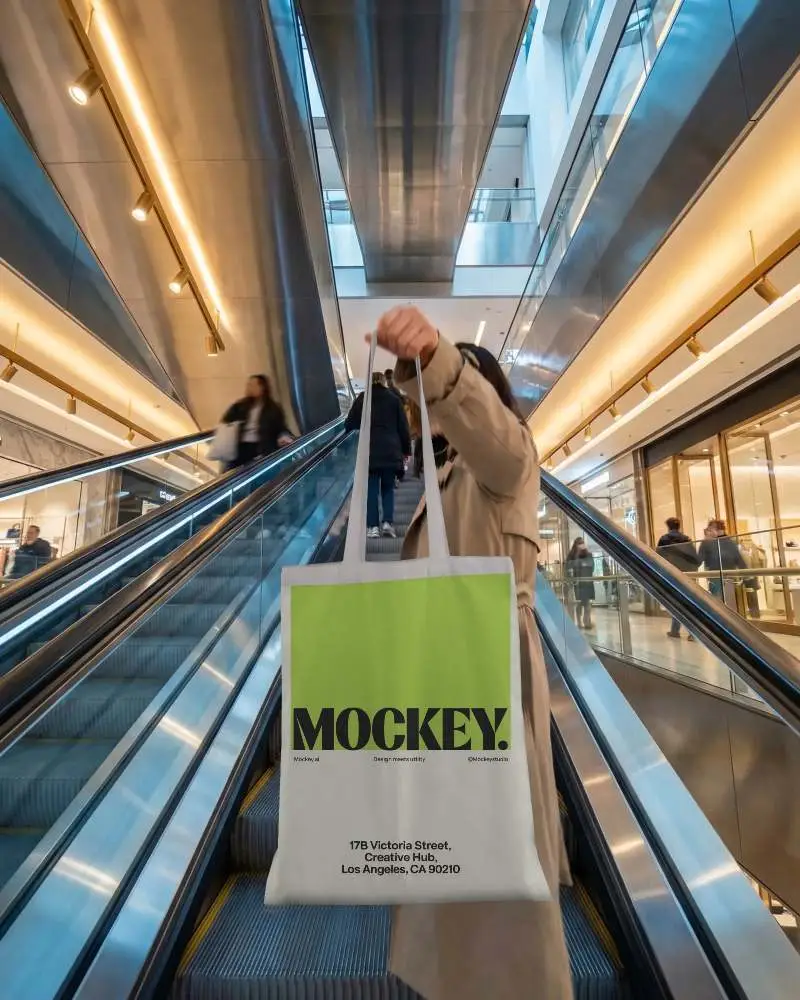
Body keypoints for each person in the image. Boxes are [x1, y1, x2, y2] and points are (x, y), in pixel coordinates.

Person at [373, 305, 573, 1000]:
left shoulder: (501, 460)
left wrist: (436, 358)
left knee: (496, 885)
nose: (423, 411)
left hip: (485, 670)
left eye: (438, 398)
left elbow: (496, 436)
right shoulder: (445, 478)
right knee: (459, 862)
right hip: (451, 677)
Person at [345, 371, 411, 539]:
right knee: (388, 488)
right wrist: (406, 451)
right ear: (383, 382)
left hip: (370, 451)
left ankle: (372, 527)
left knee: (372, 490)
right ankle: (388, 523)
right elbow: (403, 428)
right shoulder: (394, 400)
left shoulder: (363, 399)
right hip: (391, 450)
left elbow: (349, 424)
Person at [220, 375, 292, 469]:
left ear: (262, 387)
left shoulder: (273, 408)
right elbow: (226, 421)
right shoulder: (240, 406)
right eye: (248, 385)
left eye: (252, 385)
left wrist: (284, 435)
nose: (249, 388)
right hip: (240, 448)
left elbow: (280, 426)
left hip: (261, 448)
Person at [657, 517, 700, 639]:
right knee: (688, 604)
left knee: (676, 603)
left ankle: (675, 631)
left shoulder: (664, 540)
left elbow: (658, 557)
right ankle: (692, 633)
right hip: (688, 575)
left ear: (668, 526)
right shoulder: (687, 540)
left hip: (672, 575)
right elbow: (696, 559)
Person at [698, 518, 747, 607]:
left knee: (718, 604)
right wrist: (746, 575)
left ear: (717, 530)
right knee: (729, 604)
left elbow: (697, 561)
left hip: (716, 577)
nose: (709, 532)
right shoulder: (731, 542)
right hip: (730, 578)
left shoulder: (708, 543)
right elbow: (740, 561)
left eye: (710, 529)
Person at [566, 537, 595, 629]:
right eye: (579, 544)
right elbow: (569, 566)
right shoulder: (572, 555)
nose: (581, 545)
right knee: (581, 603)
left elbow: (592, 566)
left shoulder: (588, 554)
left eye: (582, 543)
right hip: (578, 584)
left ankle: (587, 621)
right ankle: (580, 621)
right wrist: (578, 556)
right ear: (575, 545)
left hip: (588, 582)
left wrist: (580, 563)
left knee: (587, 603)